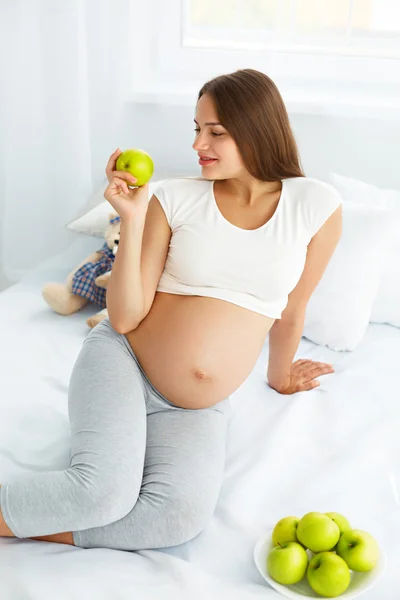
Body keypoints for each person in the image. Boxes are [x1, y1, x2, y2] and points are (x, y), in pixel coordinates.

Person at [0, 68, 342, 550]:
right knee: (101, 493)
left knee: (177, 520)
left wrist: (280, 376)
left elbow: (292, 308)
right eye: (197, 128)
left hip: (192, 409)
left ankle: (35, 521)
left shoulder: (316, 205)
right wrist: (133, 219)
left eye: (216, 132)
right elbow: (124, 318)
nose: (199, 143)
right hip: (124, 364)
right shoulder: (175, 197)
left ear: (258, 130)